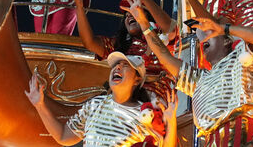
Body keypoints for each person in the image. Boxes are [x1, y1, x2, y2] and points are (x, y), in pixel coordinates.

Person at [140, 13, 253, 147]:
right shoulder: (199, 79)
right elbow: (164, 56)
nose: (203, 40)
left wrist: (222, 28)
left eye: (210, 33)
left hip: (242, 135)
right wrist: (143, 22)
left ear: (227, 40)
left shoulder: (241, 57)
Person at [26, 51, 176, 147]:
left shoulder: (146, 114)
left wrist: (171, 121)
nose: (117, 68)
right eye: (116, 65)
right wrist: (39, 104)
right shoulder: (94, 105)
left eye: (125, 66)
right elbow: (64, 136)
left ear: (137, 79)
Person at [70, 0, 178, 107]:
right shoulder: (121, 45)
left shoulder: (161, 37)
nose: (129, 16)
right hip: (124, 98)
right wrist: (79, 7)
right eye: (126, 16)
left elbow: (170, 28)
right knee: (93, 105)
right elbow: (90, 43)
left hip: (155, 102)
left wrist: (145, 0)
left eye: (133, 12)